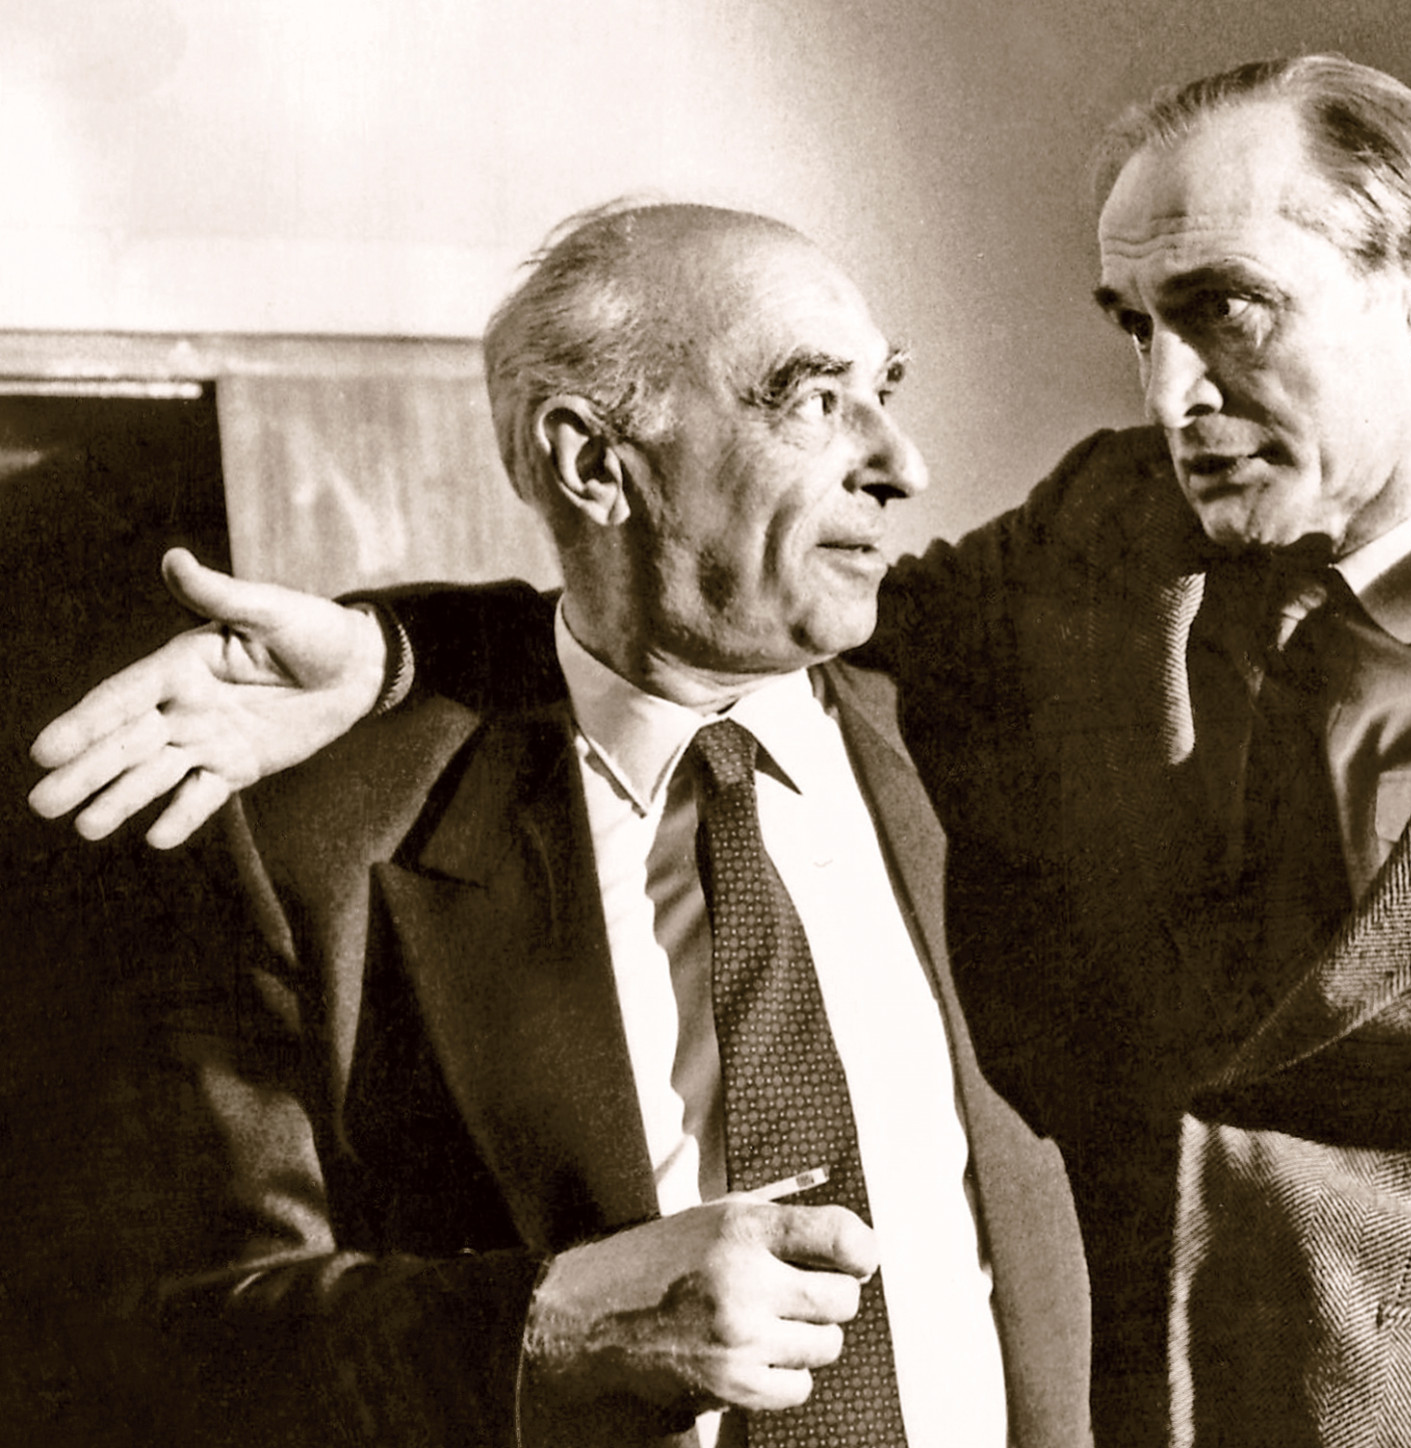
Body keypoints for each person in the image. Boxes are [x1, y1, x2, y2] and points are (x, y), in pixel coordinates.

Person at [35, 55, 1411, 1448]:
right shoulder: (1084, 554)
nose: (1166, 391)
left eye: (1222, 314)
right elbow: (728, 613)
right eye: (1129, 324)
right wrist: (400, 649)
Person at [30, 202, 1089, 1448]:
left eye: (883, 390)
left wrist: (395, 646)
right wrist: (553, 1324)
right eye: (813, 399)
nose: (900, 462)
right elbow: (182, 1340)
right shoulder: (309, 849)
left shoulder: (985, 726)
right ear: (593, 464)